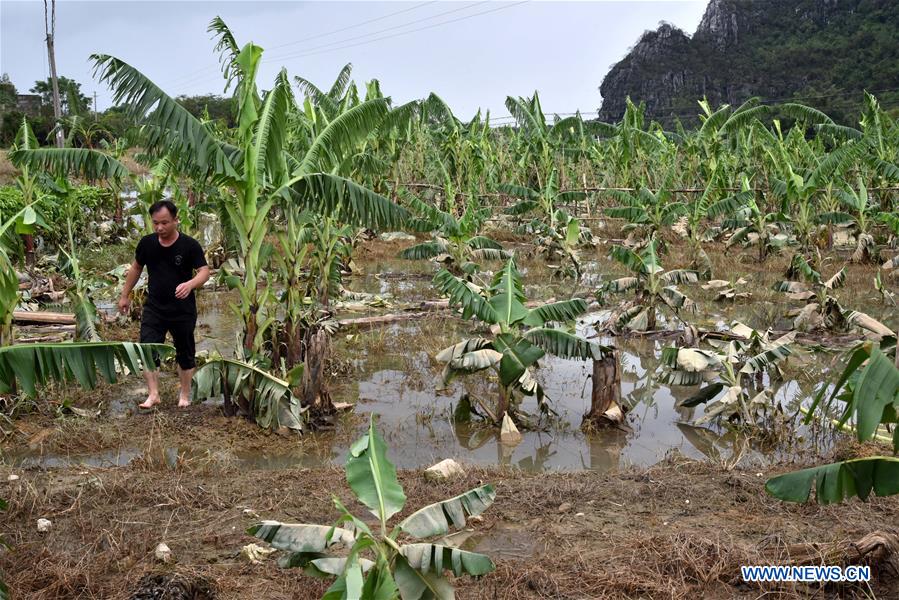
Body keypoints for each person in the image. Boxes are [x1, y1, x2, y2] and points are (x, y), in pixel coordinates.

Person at [118, 200, 210, 409]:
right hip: (155, 307)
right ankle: (153, 394)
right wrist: (125, 295)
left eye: (165, 223)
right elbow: (136, 268)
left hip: (182, 309)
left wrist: (190, 284)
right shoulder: (147, 243)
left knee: (185, 352)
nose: (159, 228)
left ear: (176, 220)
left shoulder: (189, 245)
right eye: (155, 223)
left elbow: (204, 272)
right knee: (148, 349)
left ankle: (184, 395)